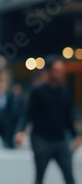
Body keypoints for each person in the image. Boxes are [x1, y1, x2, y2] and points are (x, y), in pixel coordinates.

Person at [16, 56, 82, 184]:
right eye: (56, 70)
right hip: (41, 139)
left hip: (60, 139)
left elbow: (68, 116)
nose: (60, 73)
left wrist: (76, 136)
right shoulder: (37, 91)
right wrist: (21, 131)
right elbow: (27, 113)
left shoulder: (65, 91)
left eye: (62, 70)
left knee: (69, 176)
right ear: (48, 71)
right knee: (40, 176)